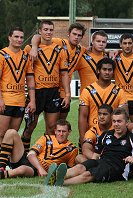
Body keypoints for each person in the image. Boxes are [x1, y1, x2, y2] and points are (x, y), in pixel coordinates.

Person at [44, 108, 133, 186]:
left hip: (116, 168)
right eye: (114, 121)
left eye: (119, 121)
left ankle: (60, 183)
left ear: (126, 122)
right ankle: (56, 175)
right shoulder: (105, 135)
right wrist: (91, 162)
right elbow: (96, 154)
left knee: (88, 174)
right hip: (101, 161)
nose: (116, 124)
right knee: (81, 167)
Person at [22, 20, 71, 151]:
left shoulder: (59, 49)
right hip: (36, 93)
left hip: (53, 92)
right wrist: (33, 47)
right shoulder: (30, 49)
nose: (48, 32)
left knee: (51, 127)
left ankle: (47, 155)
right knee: (29, 127)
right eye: (45, 29)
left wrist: (67, 94)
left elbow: (64, 74)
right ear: (40, 31)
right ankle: (22, 156)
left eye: (50, 30)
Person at [30, 23, 86, 120]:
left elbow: (95, 50)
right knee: (38, 123)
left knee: (61, 123)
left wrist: (113, 51)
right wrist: (34, 48)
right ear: (69, 34)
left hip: (64, 91)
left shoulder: (81, 49)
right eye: (74, 34)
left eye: (79, 35)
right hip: (51, 88)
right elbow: (37, 36)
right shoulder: (60, 43)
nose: (76, 37)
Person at [0, 119, 77, 179]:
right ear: (55, 131)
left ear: (69, 132)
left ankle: (3, 174)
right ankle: (1, 166)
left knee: (22, 169)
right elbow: (31, 154)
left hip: (33, 170)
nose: (61, 134)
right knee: (11, 132)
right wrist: (41, 169)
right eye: (59, 131)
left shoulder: (72, 149)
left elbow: (69, 169)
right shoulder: (46, 138)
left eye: (63, 131)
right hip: (30, 161)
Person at [78, 57, 127, 147]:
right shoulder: (87, 91)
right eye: (104, 69)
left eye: (110, 70)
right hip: (93, 134)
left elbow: (124, 117)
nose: (107, 72)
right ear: (98, 71)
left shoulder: (120, 91)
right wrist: (82, 137)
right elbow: (83, 117)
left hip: (114, 134)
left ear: (113, 72)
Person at [0, 27, 35, 144]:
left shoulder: (26, 56)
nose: (19, 39)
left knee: (13, 133)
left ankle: (9, 161)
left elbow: (30, 79)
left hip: (20, 100)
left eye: (21, 37)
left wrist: (32, 100)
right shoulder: (2, 55)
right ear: (9, 38)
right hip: (6, 100)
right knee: (2, 133)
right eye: (16, 36)